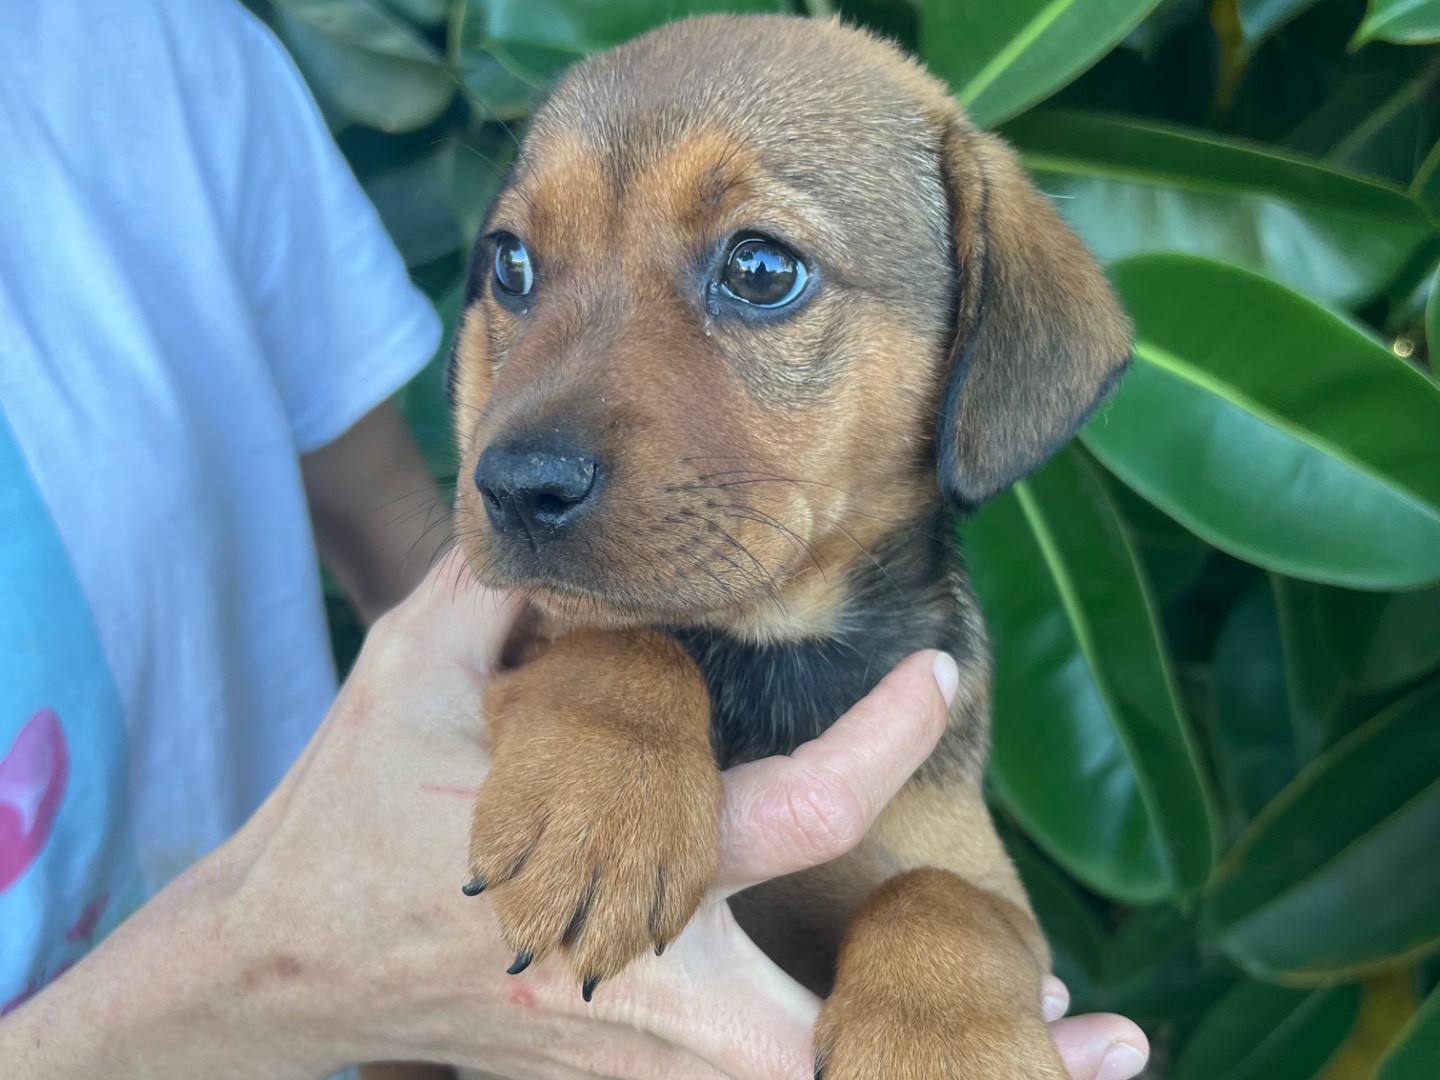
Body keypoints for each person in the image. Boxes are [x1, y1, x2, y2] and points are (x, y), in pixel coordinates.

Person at [0, 0, 1150, 1075]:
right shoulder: (574, 687)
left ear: (974, 330)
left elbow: (979, 911)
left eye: (758, 271)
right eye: (519, 269)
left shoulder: (147, 46)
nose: (531, 443)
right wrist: (601, 694)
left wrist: (950, 961)